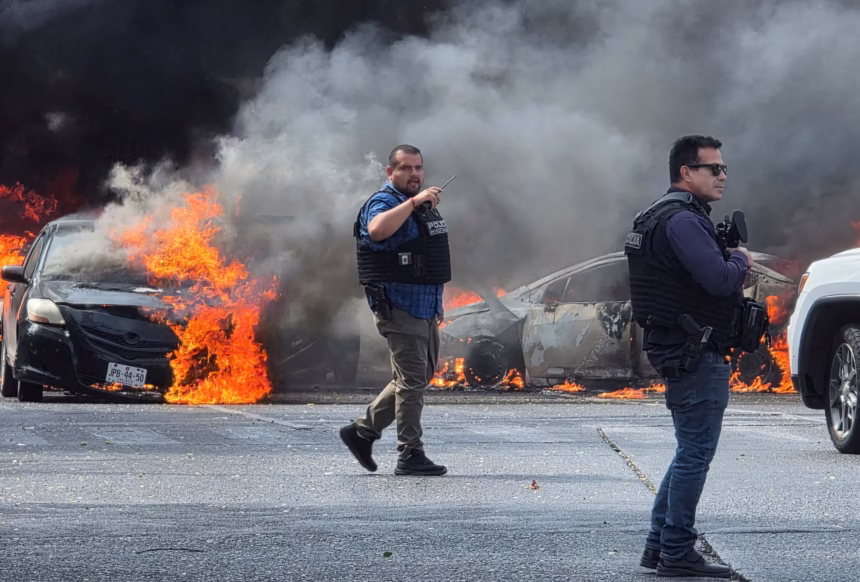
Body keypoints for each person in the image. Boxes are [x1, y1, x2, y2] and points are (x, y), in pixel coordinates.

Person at [624, 135, 753, 578]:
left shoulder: (658, 215)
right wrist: (741, 260)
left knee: (688, 450)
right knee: (696, 453)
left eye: (724, 168)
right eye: (713, 168)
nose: (722, 176)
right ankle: (677, 551)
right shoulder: (682, 220)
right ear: (686, 172)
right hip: (696, 351)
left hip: (682, 347)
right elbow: (719, 280)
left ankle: (658, 546)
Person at [339, 144, 450, 477]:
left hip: (424, 306)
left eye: (418, 168)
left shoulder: (421, 206)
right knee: (412, 381)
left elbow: (427, 257)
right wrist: (414, 202)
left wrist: (437, 303)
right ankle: (410, 453)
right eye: (405, 168)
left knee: (416, 378)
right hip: (399, 305)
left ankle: (362, 432)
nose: (414, 174)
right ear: (390, 172)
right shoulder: (384, 202)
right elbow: (377, 230)